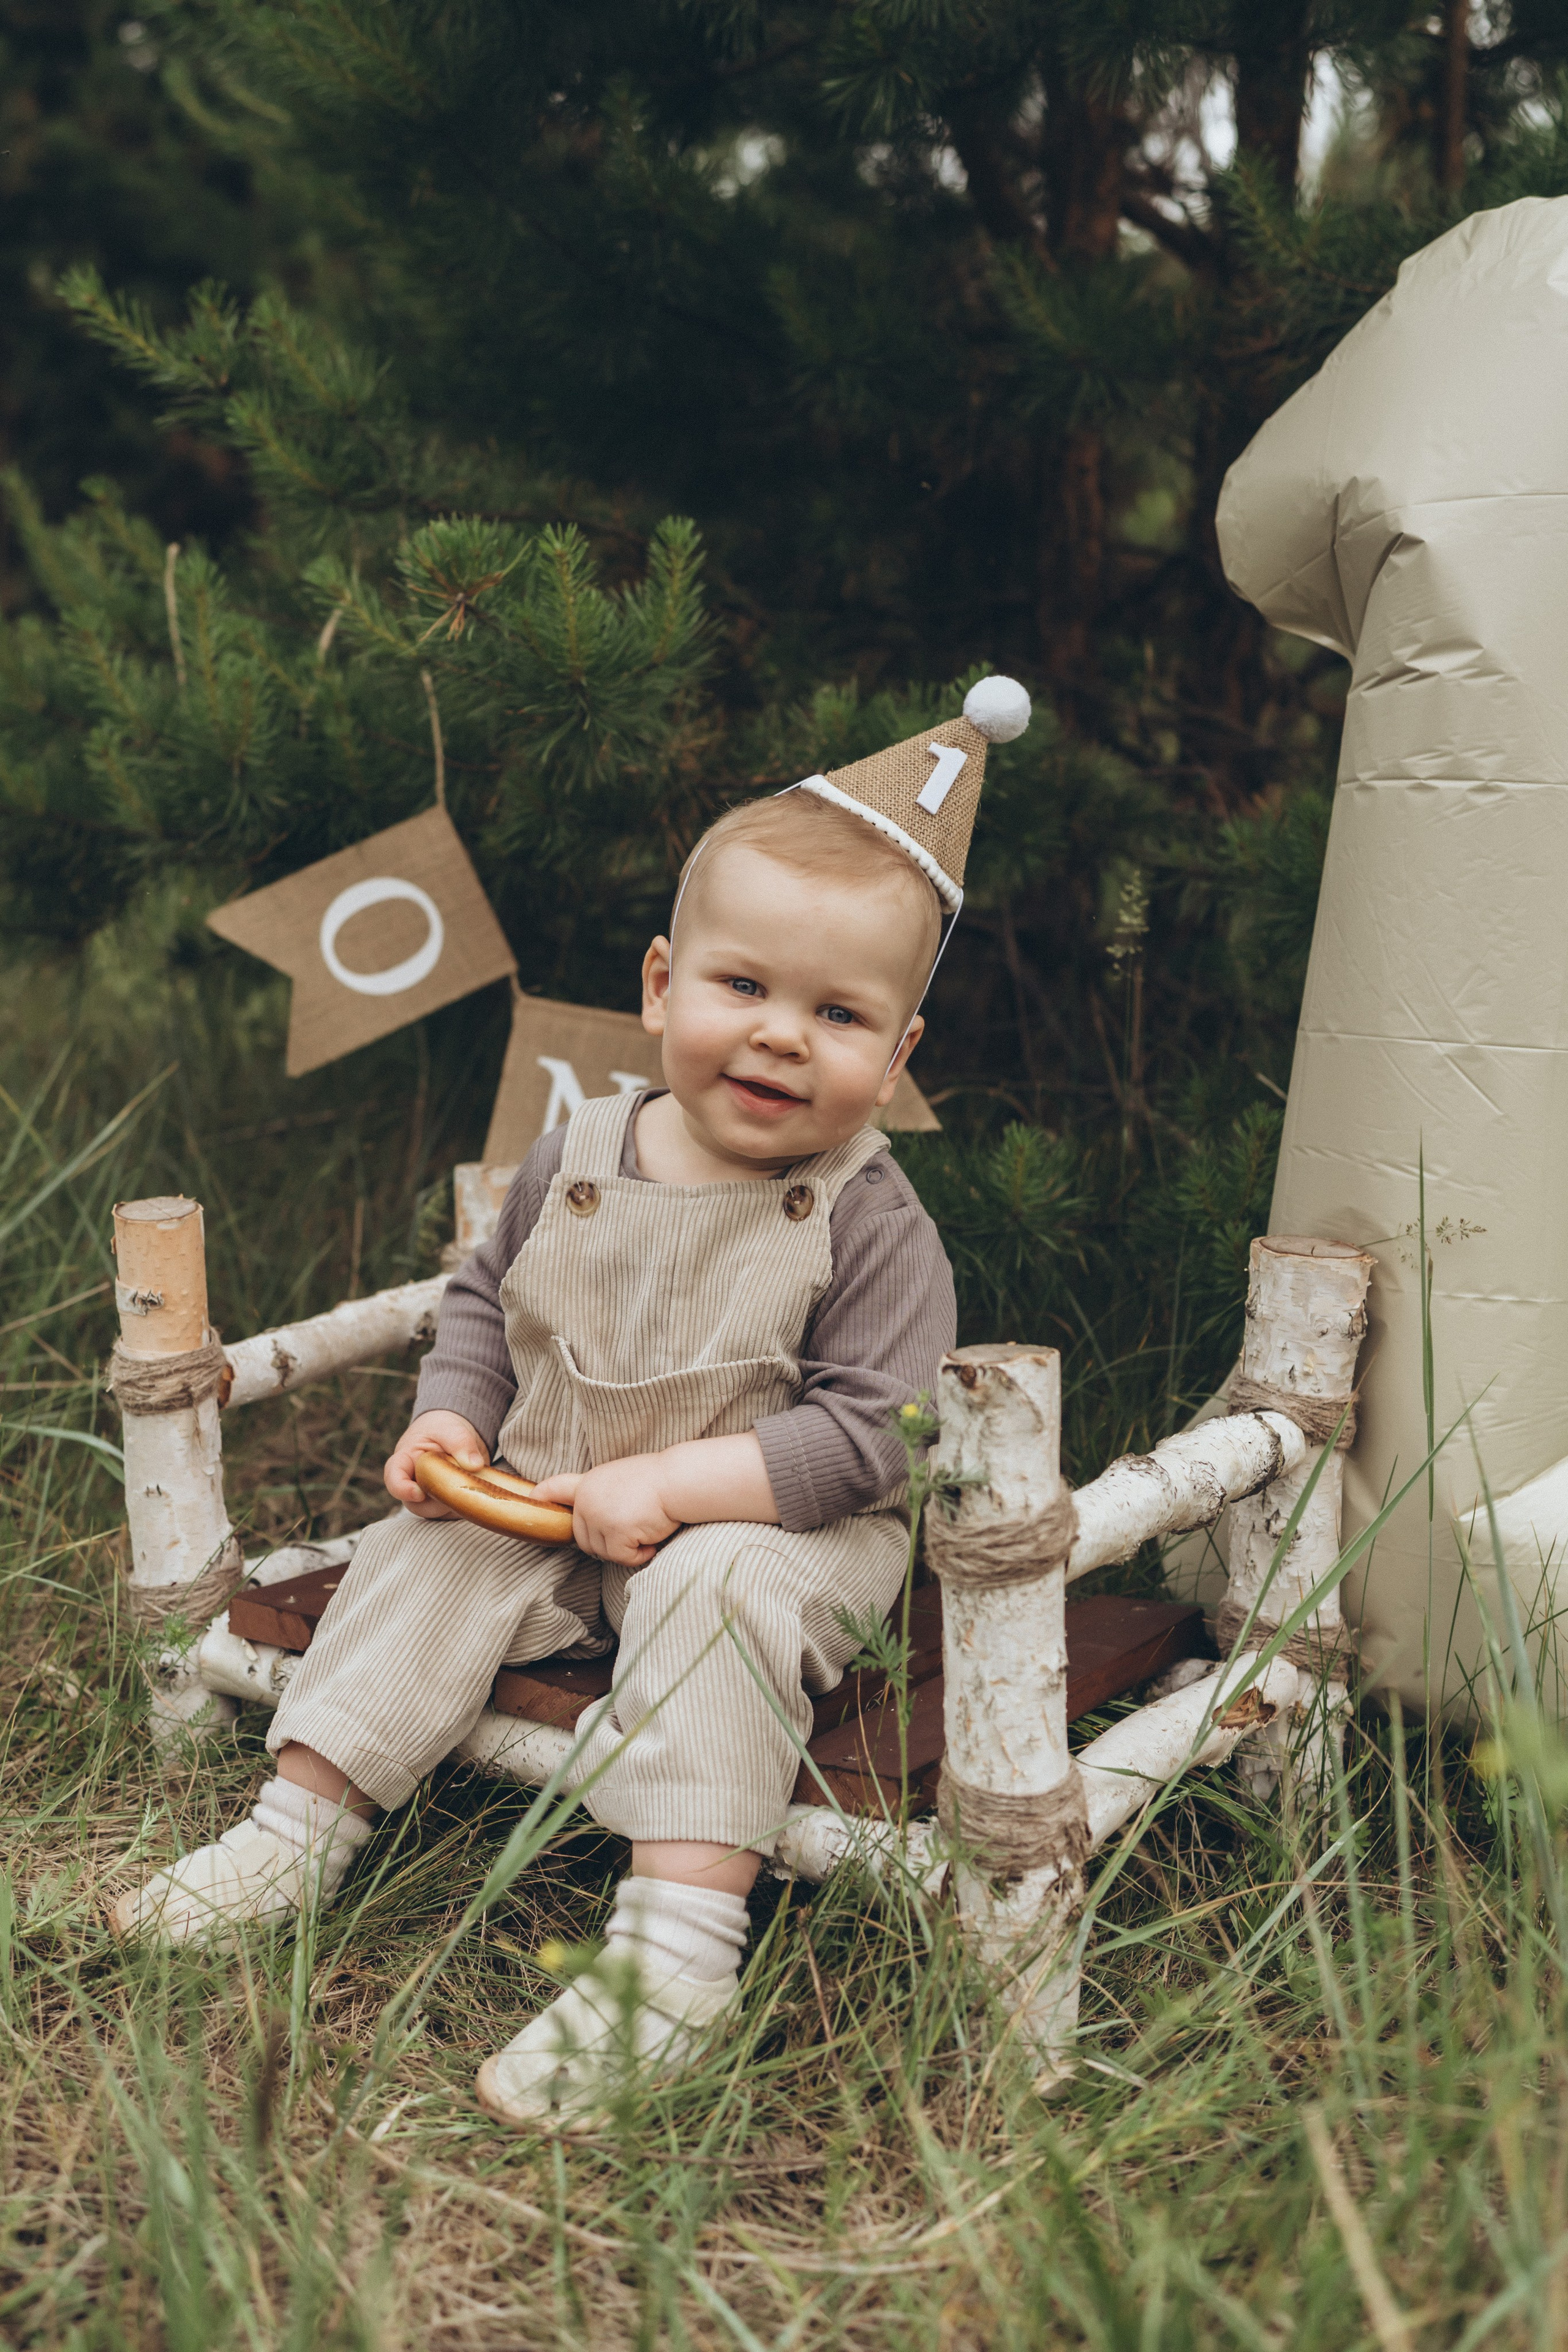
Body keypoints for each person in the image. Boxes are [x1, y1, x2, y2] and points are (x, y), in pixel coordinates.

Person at [111, 677, 1031, 2127]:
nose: (781, 1036)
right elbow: (486, 1302)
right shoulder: (583, 1147)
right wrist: (449, 1422)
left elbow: (869, 1439)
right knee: (424, 1549)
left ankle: (672, 1955)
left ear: (899, 1058)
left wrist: (679, 1493)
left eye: (839, 1013)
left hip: (778, 1544)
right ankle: (298, 1825)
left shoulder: (867, 1218)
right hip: (548, 1499)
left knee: (715, 1589)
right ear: (662, 986)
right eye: (744, 987)